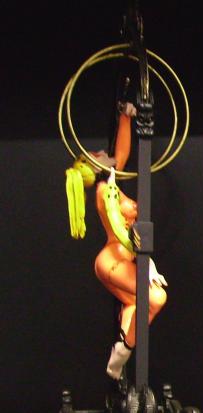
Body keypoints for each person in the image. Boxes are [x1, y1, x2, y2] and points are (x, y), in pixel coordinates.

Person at [65, 102, 167, 381]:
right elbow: (116, 222)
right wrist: (141, 253)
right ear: (93, 167)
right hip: (113, 259)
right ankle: (122, 352)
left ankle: (120, 354)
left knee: (137, 305)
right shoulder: (104, 192)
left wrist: (125, 118)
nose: (102, 154)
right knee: (156, 297)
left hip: (121, 259)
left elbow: (120, 154)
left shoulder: (111, 183)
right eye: (96, 156)